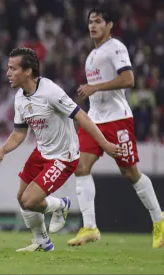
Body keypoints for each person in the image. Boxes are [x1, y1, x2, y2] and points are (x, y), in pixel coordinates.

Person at [0, 48, 123, 252]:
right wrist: (3, 150)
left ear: (27, 71)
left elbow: (82, 117)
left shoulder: (51, 92)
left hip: (63, 156)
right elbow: (19, 133)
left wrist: (104, 144)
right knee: (22, 199)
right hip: (42, 152)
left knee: (29, 200)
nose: (7, 72)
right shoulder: (20, 97)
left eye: (12, 68)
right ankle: (42, 242)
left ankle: (61, 205)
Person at [68, 6, 164, 248]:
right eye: (90, 21)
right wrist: (90, 93)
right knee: (80, 167)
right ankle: (90, 227)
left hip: (117, 120)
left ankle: (159, 220)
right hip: (95, 119)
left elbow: (128, 79)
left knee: (130, 173)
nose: (93, 25)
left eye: (98, 21)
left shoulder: (116, 47)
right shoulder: (91, 55)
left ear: (109, 25)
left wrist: (94, 88)